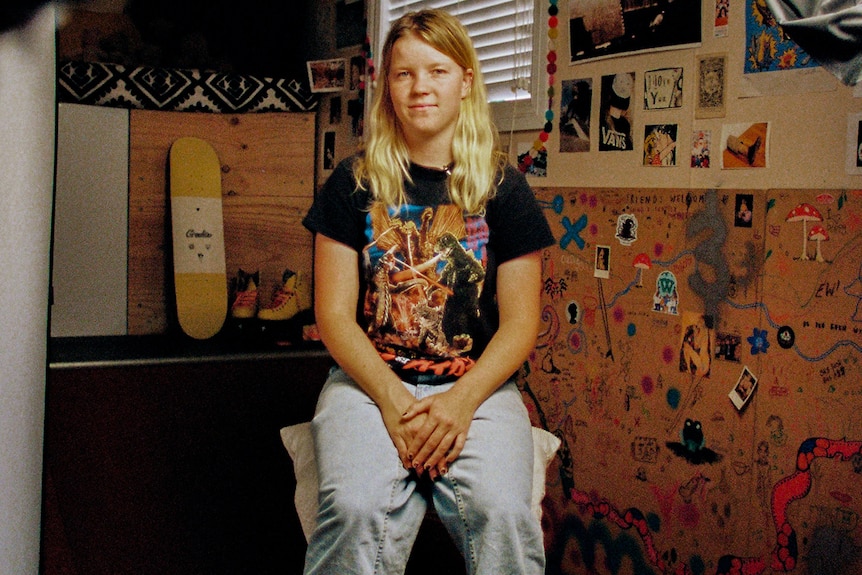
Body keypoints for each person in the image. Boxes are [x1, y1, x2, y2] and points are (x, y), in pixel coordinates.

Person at [301, 9, 554, 575]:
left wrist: (459, 404)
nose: (420, 88)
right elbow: (334, 315)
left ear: (466, 81)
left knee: (505, 514)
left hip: (478, 388)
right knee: (355, 507)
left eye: (437, 71)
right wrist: (394, 401)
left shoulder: (504, 189)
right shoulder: (353, 183)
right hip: (368, 381)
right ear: (386, 87)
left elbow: (520, 325)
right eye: (403, 74)